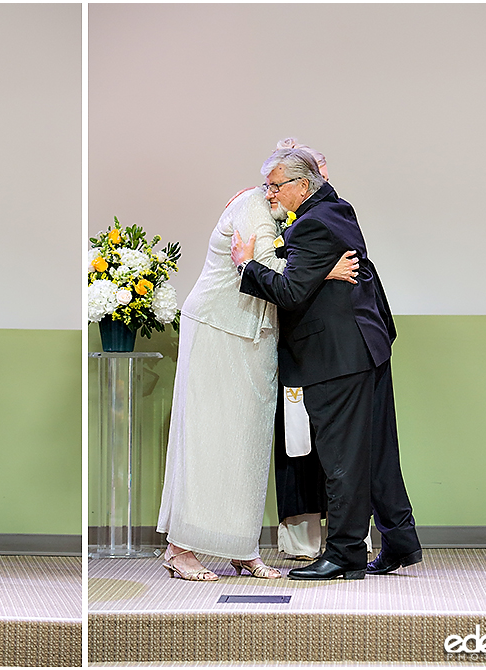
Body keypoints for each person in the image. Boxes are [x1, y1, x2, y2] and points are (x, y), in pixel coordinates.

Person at [155, 147, 359, 581]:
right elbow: (271, 273)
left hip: (256, 337)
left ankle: (241, 547)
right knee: (207, 437)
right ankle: (180, 548)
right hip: (218, 330)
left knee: (248, 444)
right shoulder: (251, 205)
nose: (274, 192)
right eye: (272, 182)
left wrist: (311, 267)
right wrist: (324, 270)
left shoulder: (281, 215)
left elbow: (280, 268)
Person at [232, 146, 422, 580]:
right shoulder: (335, 209)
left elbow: (291, 292)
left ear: (303, 184)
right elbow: (307, 276)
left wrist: (246, 265)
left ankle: (345, 554)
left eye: (276, 185)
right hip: (364, 347)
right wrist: (320, 271)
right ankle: (399, 541)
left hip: (337, 355)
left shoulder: (311, 225)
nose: (270, 193)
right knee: (374, 454)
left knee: (342, 459)